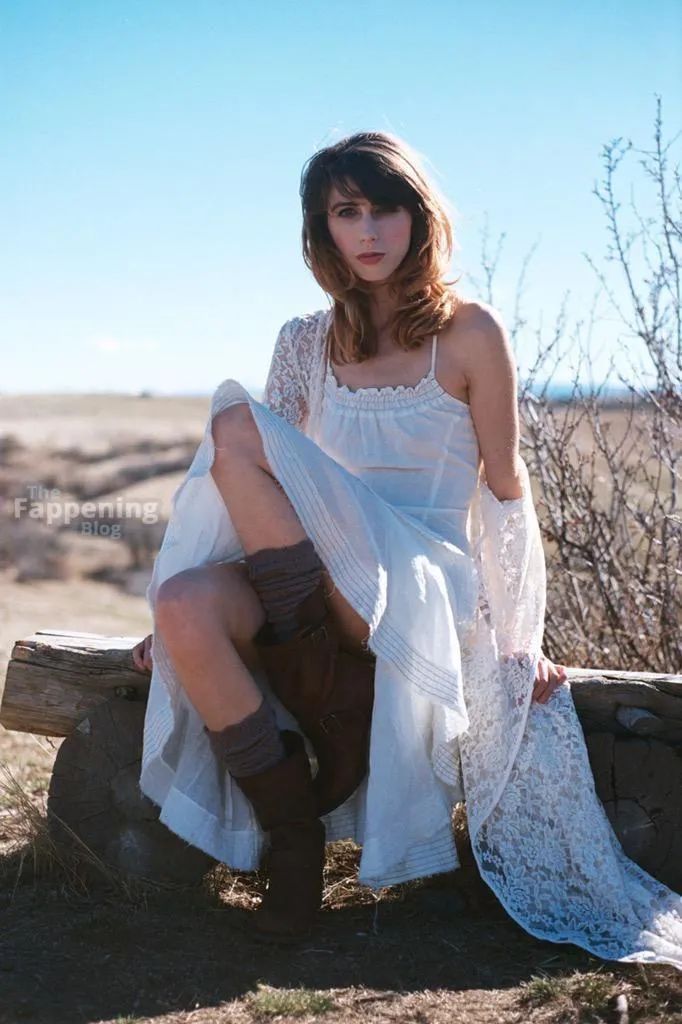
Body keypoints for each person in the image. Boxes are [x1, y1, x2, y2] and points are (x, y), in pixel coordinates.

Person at [133, 132, 682, 965]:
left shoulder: (470, 333)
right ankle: (294, 837)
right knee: (186, 600)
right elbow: (260, 485)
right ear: (323, 228)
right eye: (346, 212)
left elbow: (505, 490)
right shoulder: (303, 341)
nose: (368, 230)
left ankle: (328, 705)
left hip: (420, 585)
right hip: (316, 580)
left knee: (238, 424)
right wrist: (166, 626)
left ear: (419, 219)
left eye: (385, 208)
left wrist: (518, 639)